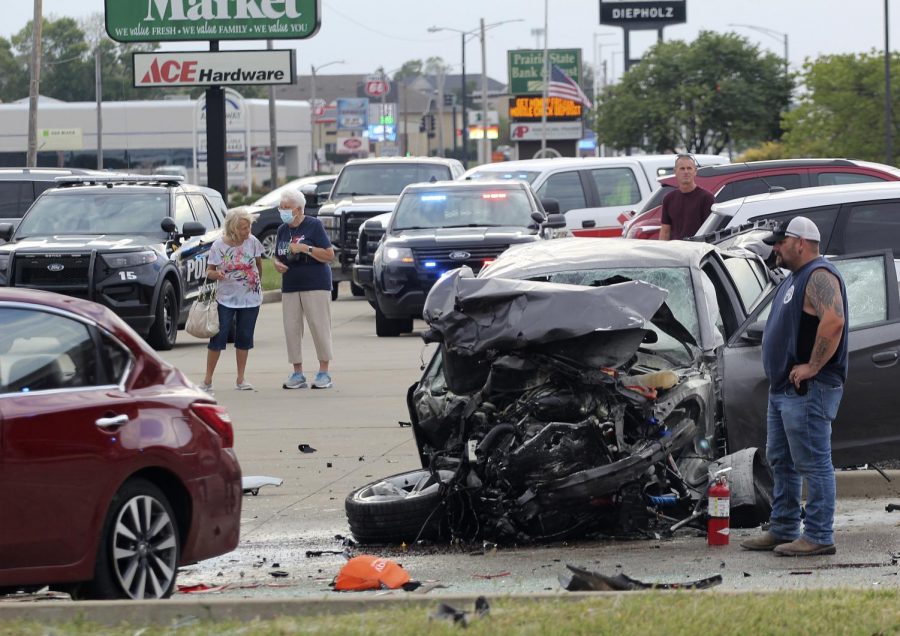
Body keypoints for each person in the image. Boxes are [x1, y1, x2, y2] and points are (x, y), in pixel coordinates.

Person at [741, 216, 848, 557]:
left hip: (807, 390)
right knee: (781, 460)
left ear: (800, 242)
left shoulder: (819, 274)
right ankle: (784, 526)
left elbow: (834, 321)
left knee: (813, 462)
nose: (775, 247)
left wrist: (813, 366)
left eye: (780, 242)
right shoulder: (795, 277)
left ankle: (818, 534)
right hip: (784, 389)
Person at [273, 187, 336, 390]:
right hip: (291, 285)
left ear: (299, 209)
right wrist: (277, 263)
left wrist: (305, 249)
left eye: (287, 207)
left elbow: (329, 255)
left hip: (315, 284)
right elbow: (278, 254)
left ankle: (324, 372)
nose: (283, 211)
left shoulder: (314, 225)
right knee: (291, 329)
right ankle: (297, 372)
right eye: (281, 207)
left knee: (319, 327)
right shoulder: (283, 229)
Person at [200, 207, 264, 394]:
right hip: (225, 299)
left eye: (248, 227)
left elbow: (259, 266)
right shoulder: (218, 246)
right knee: (218, 338)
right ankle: (207, 381)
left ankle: (241, 379)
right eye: (243, 228)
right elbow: (209, 271)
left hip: (250, 299)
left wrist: (256, 286)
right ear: (233, 228)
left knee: (244, 338)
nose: (247, 232)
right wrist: (216, 274)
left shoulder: (253, 242)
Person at [658, 154, 715, 240]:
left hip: (698, 250)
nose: (686, 172)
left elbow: (710, 231)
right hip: (675, 250)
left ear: (695, 171)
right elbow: (665, 231)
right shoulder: (668, 199)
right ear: (675, 171)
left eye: (689, 168)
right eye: (682, 168)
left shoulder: (707, 198)